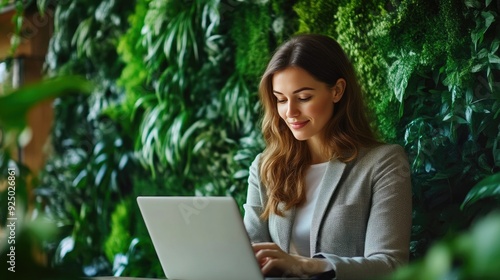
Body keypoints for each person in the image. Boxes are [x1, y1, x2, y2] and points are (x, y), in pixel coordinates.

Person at [243, 34, 412, 280]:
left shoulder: (383, 163)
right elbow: (250, 254)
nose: (289, 112)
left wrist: (305, 265)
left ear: (337, 90)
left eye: (303, 98)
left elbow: (390, 264)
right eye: (280, 100)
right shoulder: (266, 167)